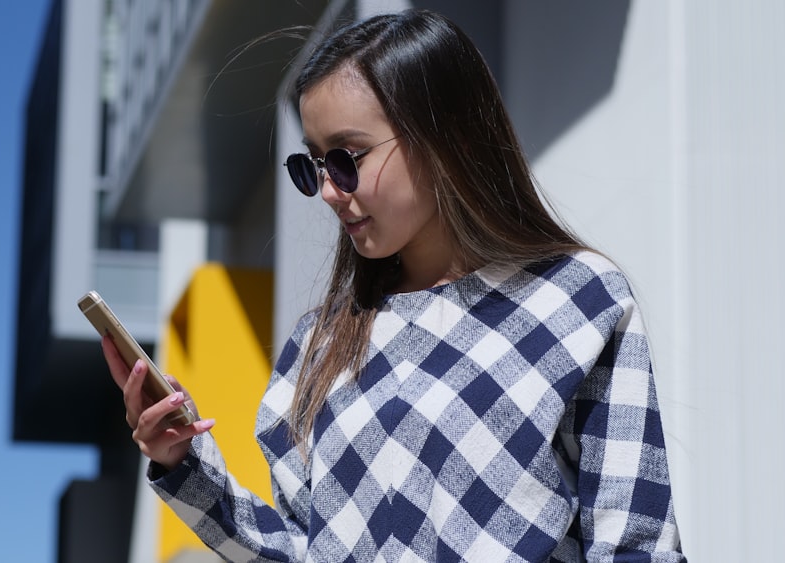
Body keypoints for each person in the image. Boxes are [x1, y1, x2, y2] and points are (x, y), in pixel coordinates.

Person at [101, 8, 686, 562]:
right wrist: (184, 464)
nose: (330, 190)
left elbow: (636, 542)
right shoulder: (318, 347)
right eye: (314, 165)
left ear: (442, 136)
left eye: (348, 157)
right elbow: (302, 550)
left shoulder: (579, 299)